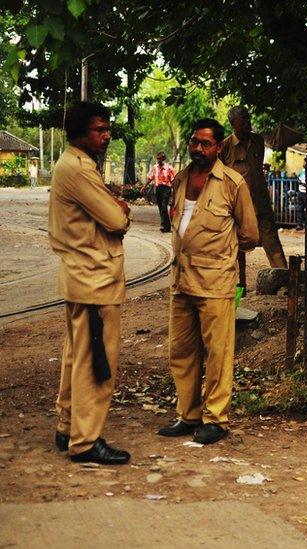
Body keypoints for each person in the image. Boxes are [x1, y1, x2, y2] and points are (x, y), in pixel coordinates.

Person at [156, 118, 259, 445]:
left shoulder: (232, 183)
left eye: (206, 143)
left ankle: (216, 418)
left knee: (217, 354)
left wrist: (220, 257)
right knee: (181, 351)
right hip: (181, 281)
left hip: (215, 284)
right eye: (194, 142)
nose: (198, 148)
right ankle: (188, 414)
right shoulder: (181, 179)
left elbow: (250, 235)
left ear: (218, 147)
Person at [49, 101, 131, 464]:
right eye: (100, 129)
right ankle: (85, 441)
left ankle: (68, 427)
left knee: (76, 355)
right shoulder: (79, 169)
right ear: (80, 132)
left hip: (81, 275)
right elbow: (115, 219)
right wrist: (120, 209)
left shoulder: (71, 164)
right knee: (96, 362)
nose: (106, 135)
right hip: (95, 277)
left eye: (107, 128)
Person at [220, 106, 287, 292]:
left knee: (271, 240)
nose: (248, 122)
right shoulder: (225, 147)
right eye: (243, 119)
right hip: (237, 205)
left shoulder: (257, 141)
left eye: (248, 118)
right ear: (233, 123)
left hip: (260, 201)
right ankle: (239, 284)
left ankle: (283, 280)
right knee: (237, 244)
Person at [146, 151, 176, 232]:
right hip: (158, 188)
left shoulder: (169, 168)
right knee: (160, 207)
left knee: (164, 207)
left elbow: (173, 180)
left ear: (164, 159)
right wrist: (144, 186)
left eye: (161, 159)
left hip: (166, 189)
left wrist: (175, 191)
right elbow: (150, 177)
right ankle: (165, 225)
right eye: (158, 159)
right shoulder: (155, 167)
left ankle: (165, 226)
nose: (159, 160)